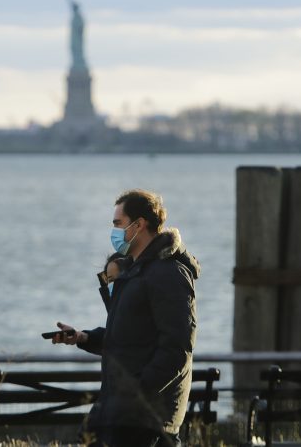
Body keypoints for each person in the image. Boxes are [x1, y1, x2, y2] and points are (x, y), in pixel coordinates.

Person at [52, 189, 200, 447]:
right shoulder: (135, 271)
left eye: (118, 224)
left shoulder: (167, 273)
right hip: (118, 410)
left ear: (139, 225)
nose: (115, 232)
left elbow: (177, 347)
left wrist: (138, 392)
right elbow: (129, 337)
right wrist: (84, 337)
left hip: (146, 416)